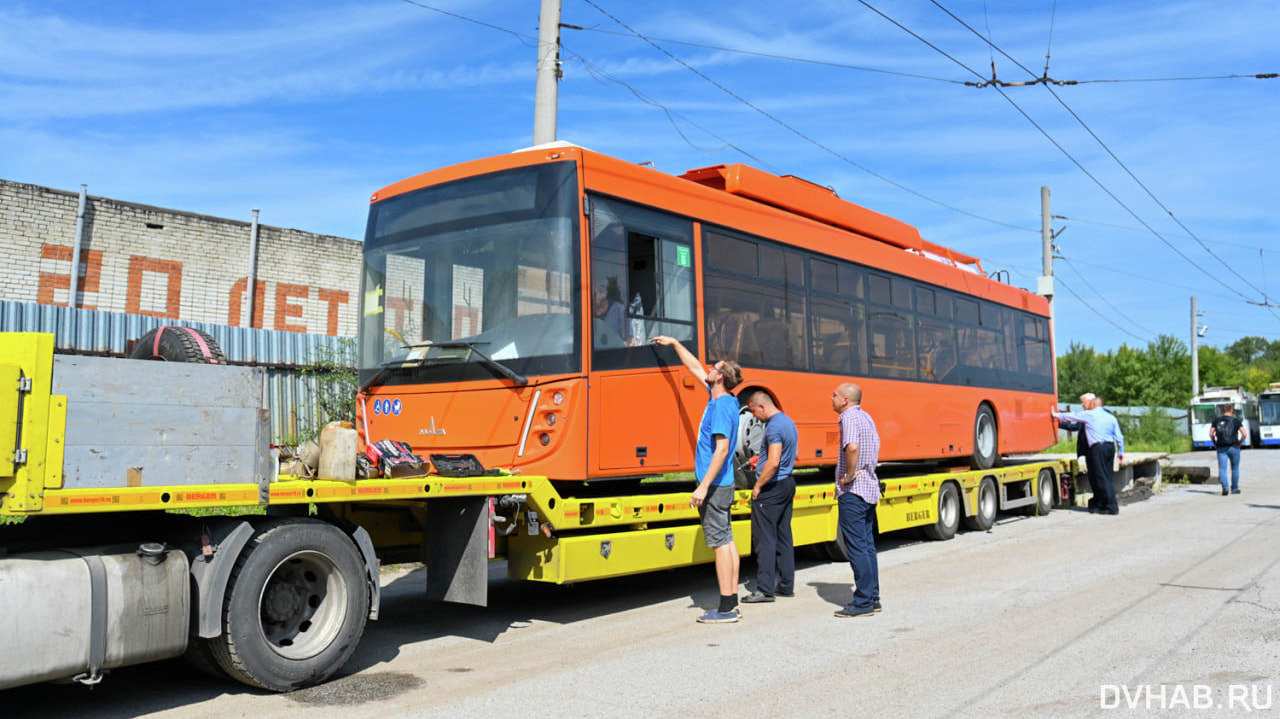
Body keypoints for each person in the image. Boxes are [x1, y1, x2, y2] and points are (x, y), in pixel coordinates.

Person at [651, 335, 744, 623]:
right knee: (727, 541)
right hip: (724, 483)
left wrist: (702, 487)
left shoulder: (718, 408)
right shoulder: (726, 399)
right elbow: (694, 367)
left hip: (714, 486)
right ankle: (732, 602)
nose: (708, 369)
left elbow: (722, 449)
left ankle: (726, 608)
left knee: (719, 544)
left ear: (719, 378)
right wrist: (675, 343)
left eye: (713, 368)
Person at [741, 390, 797, 604]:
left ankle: (764, 589)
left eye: (754, 411)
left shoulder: (773, 426)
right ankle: (785, 584)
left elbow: (773, 462)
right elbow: (785, 456)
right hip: (787, 483)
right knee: (784, 535)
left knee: (764, 539)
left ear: (762, 406)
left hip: (772, 487)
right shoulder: (788, 422)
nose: (754, 416)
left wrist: (758, 485)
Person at [831, 382, 881, 618]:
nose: (831, 398)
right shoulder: (867, 417)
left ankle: (862, 603)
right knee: (868, 546)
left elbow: (852, 447)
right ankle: (873, 597)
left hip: (854, 491)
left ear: (845, 401)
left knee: (857, 546)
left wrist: (849, 476)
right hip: (870, 488)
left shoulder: (848, 417)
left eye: (834, 395)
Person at [1052, 397, 1126, 515]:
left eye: (1090, 403)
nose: (1087, 406)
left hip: (1098, 448)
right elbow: (1120, 436)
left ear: (1095, 404)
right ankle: (1101, 504)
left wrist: (1057, 415)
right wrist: (1121, 452)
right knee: (1107, 476)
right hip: (1110, 447)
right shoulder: (1111, 417)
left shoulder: (1091, 415)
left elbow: (1073, 416)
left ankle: (1111, 506)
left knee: (1100, 477)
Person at [1056, 392, 1103, 512]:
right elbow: (1074, 427)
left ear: (1092, 402)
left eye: (1083, 402)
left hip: (1097, 450)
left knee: (1099, 476)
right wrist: (1059, 423)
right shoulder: (1085, 416)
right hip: (1088, 452)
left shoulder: (1096, 416)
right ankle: (1097, 502)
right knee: (1092, 476)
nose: (1082, 405)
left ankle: (1101, 502)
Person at [1209, 404, 1246, 496]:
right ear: (1232, 410)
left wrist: (1215, 443)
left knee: (1222, 468)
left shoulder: (1216, 421)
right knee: (1235, 468)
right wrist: (1240, 443)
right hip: (1234, 447)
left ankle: (1225, 488)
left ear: (1222, 411)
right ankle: (1234, 489)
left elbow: (1211, 434)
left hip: (1221, 447)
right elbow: (1244, 434)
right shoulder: (1236, 421)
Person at [592, 277, 629, 347]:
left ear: (605, 293)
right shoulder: (587, 311)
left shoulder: (620, 310)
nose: (592, 298)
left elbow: (630, 342)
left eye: (594, 294)